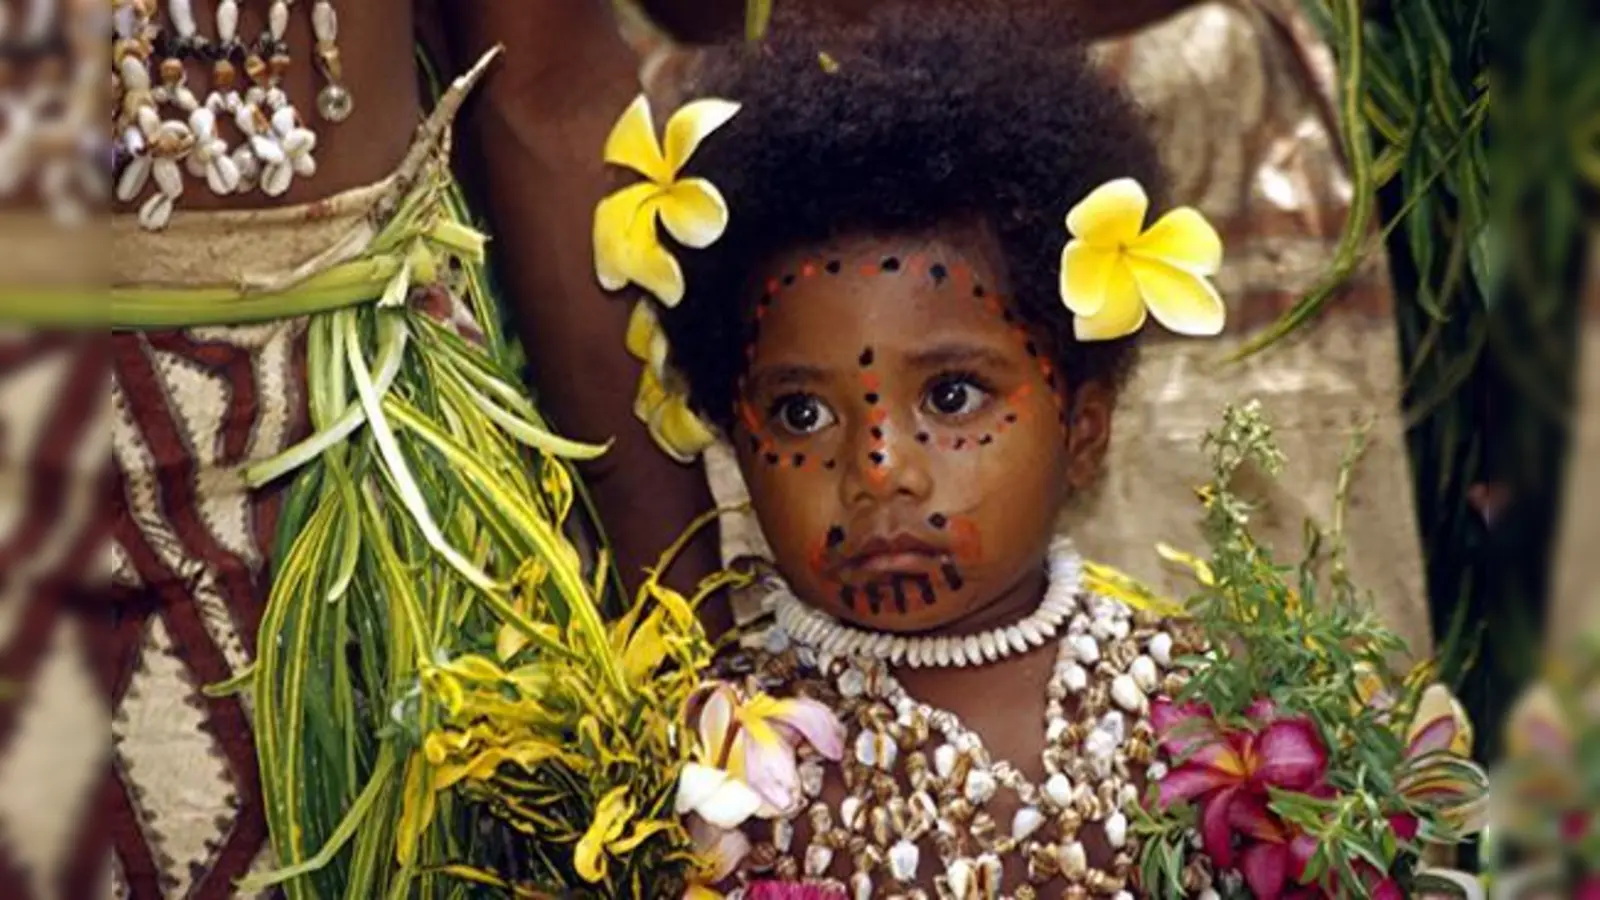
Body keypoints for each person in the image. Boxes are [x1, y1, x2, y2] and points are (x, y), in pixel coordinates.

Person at [632, 5, 1221, 894]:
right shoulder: (718, 763)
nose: (879, 471)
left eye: (950, 397)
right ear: (733, 442)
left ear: (1084, 431)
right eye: (799, 415)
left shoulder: (1202, 714)